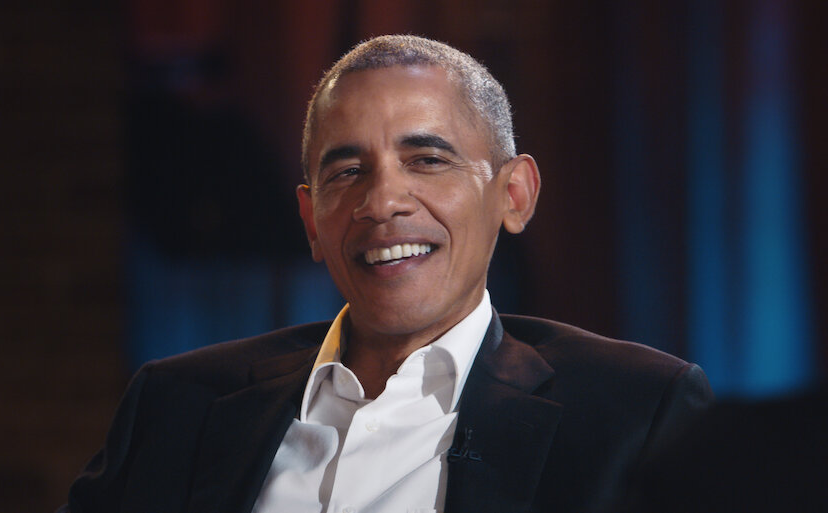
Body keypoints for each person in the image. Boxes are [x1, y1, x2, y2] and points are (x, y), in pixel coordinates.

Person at [60, 35, 713, 513]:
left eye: (426, 159)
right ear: (311, 220)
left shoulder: (638, 412)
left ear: (514, 195)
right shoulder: (176, 404)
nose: (381, 202)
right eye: (347, 171)